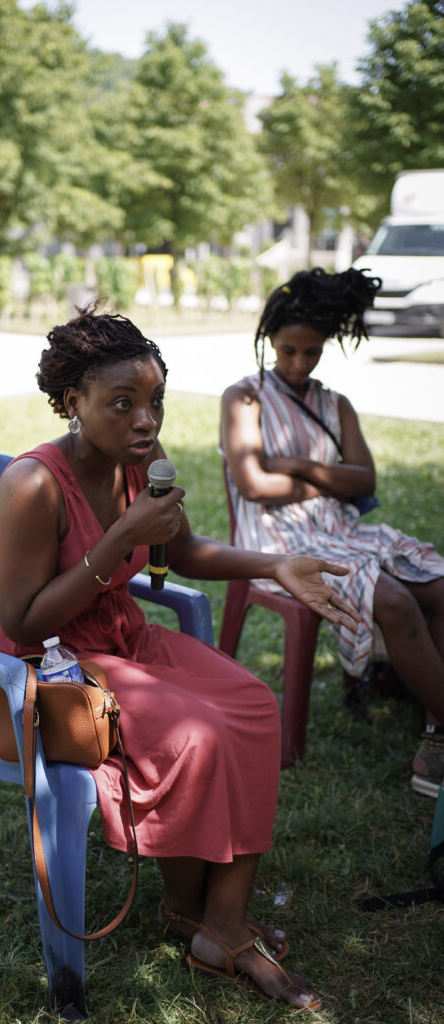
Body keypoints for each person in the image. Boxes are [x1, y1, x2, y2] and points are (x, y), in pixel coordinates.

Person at [0, 304, 359, 1011]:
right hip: (34, 670)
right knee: (195, 731)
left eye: (154, 403)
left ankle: (211, 917)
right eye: (123, 404)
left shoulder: (131, 467)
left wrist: (273, 563)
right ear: (70, 402)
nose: (146, 421)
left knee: (250, 706)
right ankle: (209, 921)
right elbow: (20, 620)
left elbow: (178, 550)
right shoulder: (33, 484)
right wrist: (117, 542)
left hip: (115, 637)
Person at [220, 266, 444, 798]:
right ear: (269, 339)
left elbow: (363, 478)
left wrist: (296, 464)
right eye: (289, 350)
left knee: (437, 585)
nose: (299, 363)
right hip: (279, 543)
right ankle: (438, 738)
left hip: (343, 532)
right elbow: (253, 484)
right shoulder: (244, 398)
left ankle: (435, 725)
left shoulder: (334, 403)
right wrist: (327, 482)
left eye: (312, 353)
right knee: (390, 600)